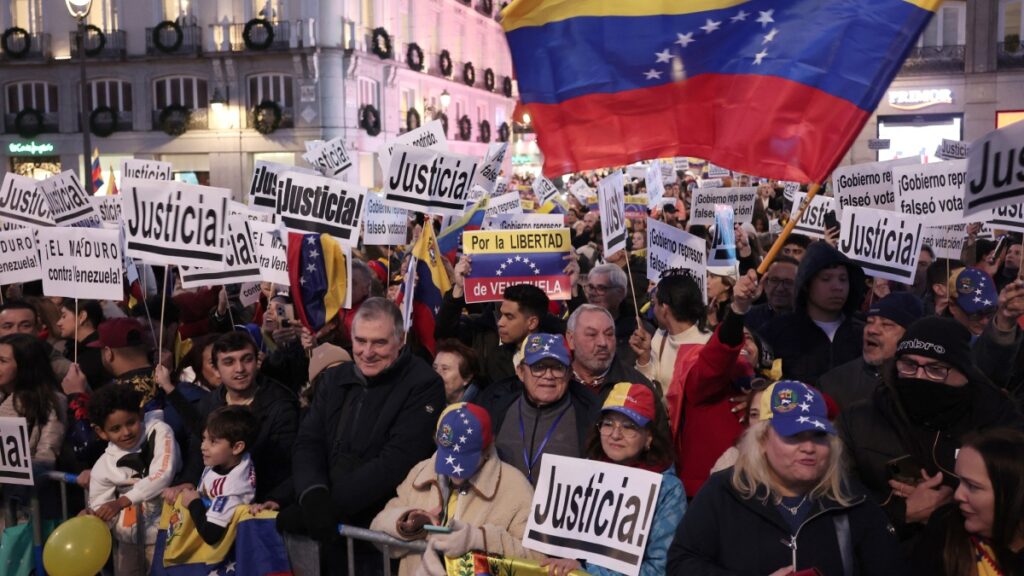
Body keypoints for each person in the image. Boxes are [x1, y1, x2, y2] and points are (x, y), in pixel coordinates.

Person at [668, 380, 906, 574]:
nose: (809, 448)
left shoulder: (852, 500)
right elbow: (681, 564)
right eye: (794, 436)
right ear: (762, 441)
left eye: (819, 435)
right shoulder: (723, 491)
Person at [279, 298, 445, 575]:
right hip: (326, 527)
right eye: (360, 341)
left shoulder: (423, 384)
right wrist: (312, 495)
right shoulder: (335, 379)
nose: (367, 352)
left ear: (400, 340)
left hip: (379, 538)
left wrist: (331, 507)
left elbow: (397, 459)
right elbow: (309, 441)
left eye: (379, 342)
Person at [838, 317, 1024, 546]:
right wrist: (902, 512)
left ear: (964, 373)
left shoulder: (998, 423)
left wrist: (955, 504)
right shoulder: (860, 420)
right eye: (908, 365)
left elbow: (1014, 501)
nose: (918, 377)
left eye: (935, 369)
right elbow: (837, 506)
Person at [370, 403, 542, 576]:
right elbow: (378, 527)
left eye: (465, 460)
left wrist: (479, 539)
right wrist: (410, 522)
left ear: (488, 446)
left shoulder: (515, 487)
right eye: (447, 457)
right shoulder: (423, 471)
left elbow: (536, 559)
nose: (454, 471)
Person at [555, 383, 686, 575]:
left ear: (648, 437)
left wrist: (588, 571)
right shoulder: (584, 470)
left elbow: (660, 569)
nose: (615, 435)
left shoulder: (667, 489)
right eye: (608, 424)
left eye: (628, 426)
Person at [167, 331, 298, 507]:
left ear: (257, 362)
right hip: (214, 503)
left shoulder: (281, 405)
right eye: (229, 362)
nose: (240, 369)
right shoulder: (209, 403)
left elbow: (287, 466)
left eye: (247, 359)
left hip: (260, 506)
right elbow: (197, 450)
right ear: (216, 369)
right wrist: (188, 481)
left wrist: (273, 500)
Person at [478, 333, 600, 485]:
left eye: (558, 368)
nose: (548, 375)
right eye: (539, 367)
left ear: (569, 374)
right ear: (521, 372)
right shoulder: (495, 409)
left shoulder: (591, 416)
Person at [85, 385, 180, 576]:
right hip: (128, 543)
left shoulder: (159, 432)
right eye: (115, 428)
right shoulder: (104, 465)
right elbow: (101, 505)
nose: (126, 432)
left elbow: (163, 475)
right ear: (101, 432)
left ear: (140, 412)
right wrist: (93, 516)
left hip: (169, 536)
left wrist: (121, 502)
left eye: (131, 422)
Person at [911, 428, 1024, 575]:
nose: (957, 495)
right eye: (960, 481)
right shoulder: (945, 527)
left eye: (972, 486)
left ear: (1013, 494)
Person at [761, 242, 866, 386]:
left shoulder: (864, 334)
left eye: (843, 279)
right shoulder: (775, 331)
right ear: (805, 284)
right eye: (826, 279)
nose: (837, 287)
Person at [438, 268, 562, 383]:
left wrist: (573, 291)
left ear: (532, 323)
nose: (500, 323)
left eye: (509, 317)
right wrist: (459, 288)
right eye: (501, 315)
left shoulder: (559, 353)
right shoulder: (493, 358)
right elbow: (445, 334)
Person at [0, 334, 67, 531]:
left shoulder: (51, 401)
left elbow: (47, 454)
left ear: (25, 365)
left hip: (26, 508)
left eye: (3, 361)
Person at [819, 292, 924, 410]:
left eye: (886, 324)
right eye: (869, 321)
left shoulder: (922, 385)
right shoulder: (833, 383)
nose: (872, 329)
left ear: (909, 335)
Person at [178, 406, 260, 545]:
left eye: (213, 441)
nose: (203, 446)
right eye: (204, 439)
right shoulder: (227, 460)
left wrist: (193, 503)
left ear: (237, 447)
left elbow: (210, 534)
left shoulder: (231, 492)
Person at [630, 271, 711, 394]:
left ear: (665, 308)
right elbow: (650, 386)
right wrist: (644, 357)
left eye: (654, 303)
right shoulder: (660, 335)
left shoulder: (708, 344)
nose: (653, 309)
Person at [581, 263, 640, 366]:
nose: (593, 293)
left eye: (601, 288)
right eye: (590, 287)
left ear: (620, 292)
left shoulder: (638, 330)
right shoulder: (579, 322)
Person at [0, 299, 71, 381]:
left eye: (25, 326)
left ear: (38, 328)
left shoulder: (61, 370)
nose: (16, 332)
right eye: (8, 326)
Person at [54, 298, 109, 390]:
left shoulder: (99, 352)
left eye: (64, 316)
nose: (58, 323)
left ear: (82, 316)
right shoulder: (71, 349)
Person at [744, 256, 799, 333]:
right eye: (774, 280)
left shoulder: (812, 320)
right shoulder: (749, 316)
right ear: (765, 283)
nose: (780, 288)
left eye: (788, 282)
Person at [432, 339, 482, 404]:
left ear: (467, 378)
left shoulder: (482, 408)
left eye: (444, 369)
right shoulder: (427, 403)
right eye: (435, 368)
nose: (436, 374)